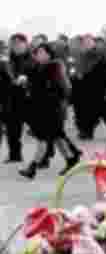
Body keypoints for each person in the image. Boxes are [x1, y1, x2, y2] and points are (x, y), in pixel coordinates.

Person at [17, 43, 81, 179]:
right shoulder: (39, 67)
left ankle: (32, 168)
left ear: (48, 54)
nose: (38, 55)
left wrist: (47, 96)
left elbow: (63, 89)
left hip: (53, 110)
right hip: (44, 110)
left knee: (43, 139)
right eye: (37, 52)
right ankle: (71, 159)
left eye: (41, 52)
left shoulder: (55, 67)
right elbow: (35, 83)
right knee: (58, 138)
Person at [70, 34, 106, 140]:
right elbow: (74, 70)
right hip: (81, 88)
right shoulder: (79, 56)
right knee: (82, 112)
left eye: (89, 42)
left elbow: (104, 73)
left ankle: (89, 131)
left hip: (96, 88)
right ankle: (84, 131)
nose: (86, 44)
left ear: (93, 43)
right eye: (85, 42)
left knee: (97, 112)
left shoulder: (100, 55)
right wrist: (75, 77)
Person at [5, 34, 33, 163]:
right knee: (12, 129)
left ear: (25, 44)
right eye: (13, 43)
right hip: (11, 99)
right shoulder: (6, 59)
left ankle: (46, 154)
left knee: (41, 129)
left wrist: (27, 80)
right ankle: (14, 155)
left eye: (19, 43)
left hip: (30, 99)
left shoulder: (33, 58)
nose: (16, 46)